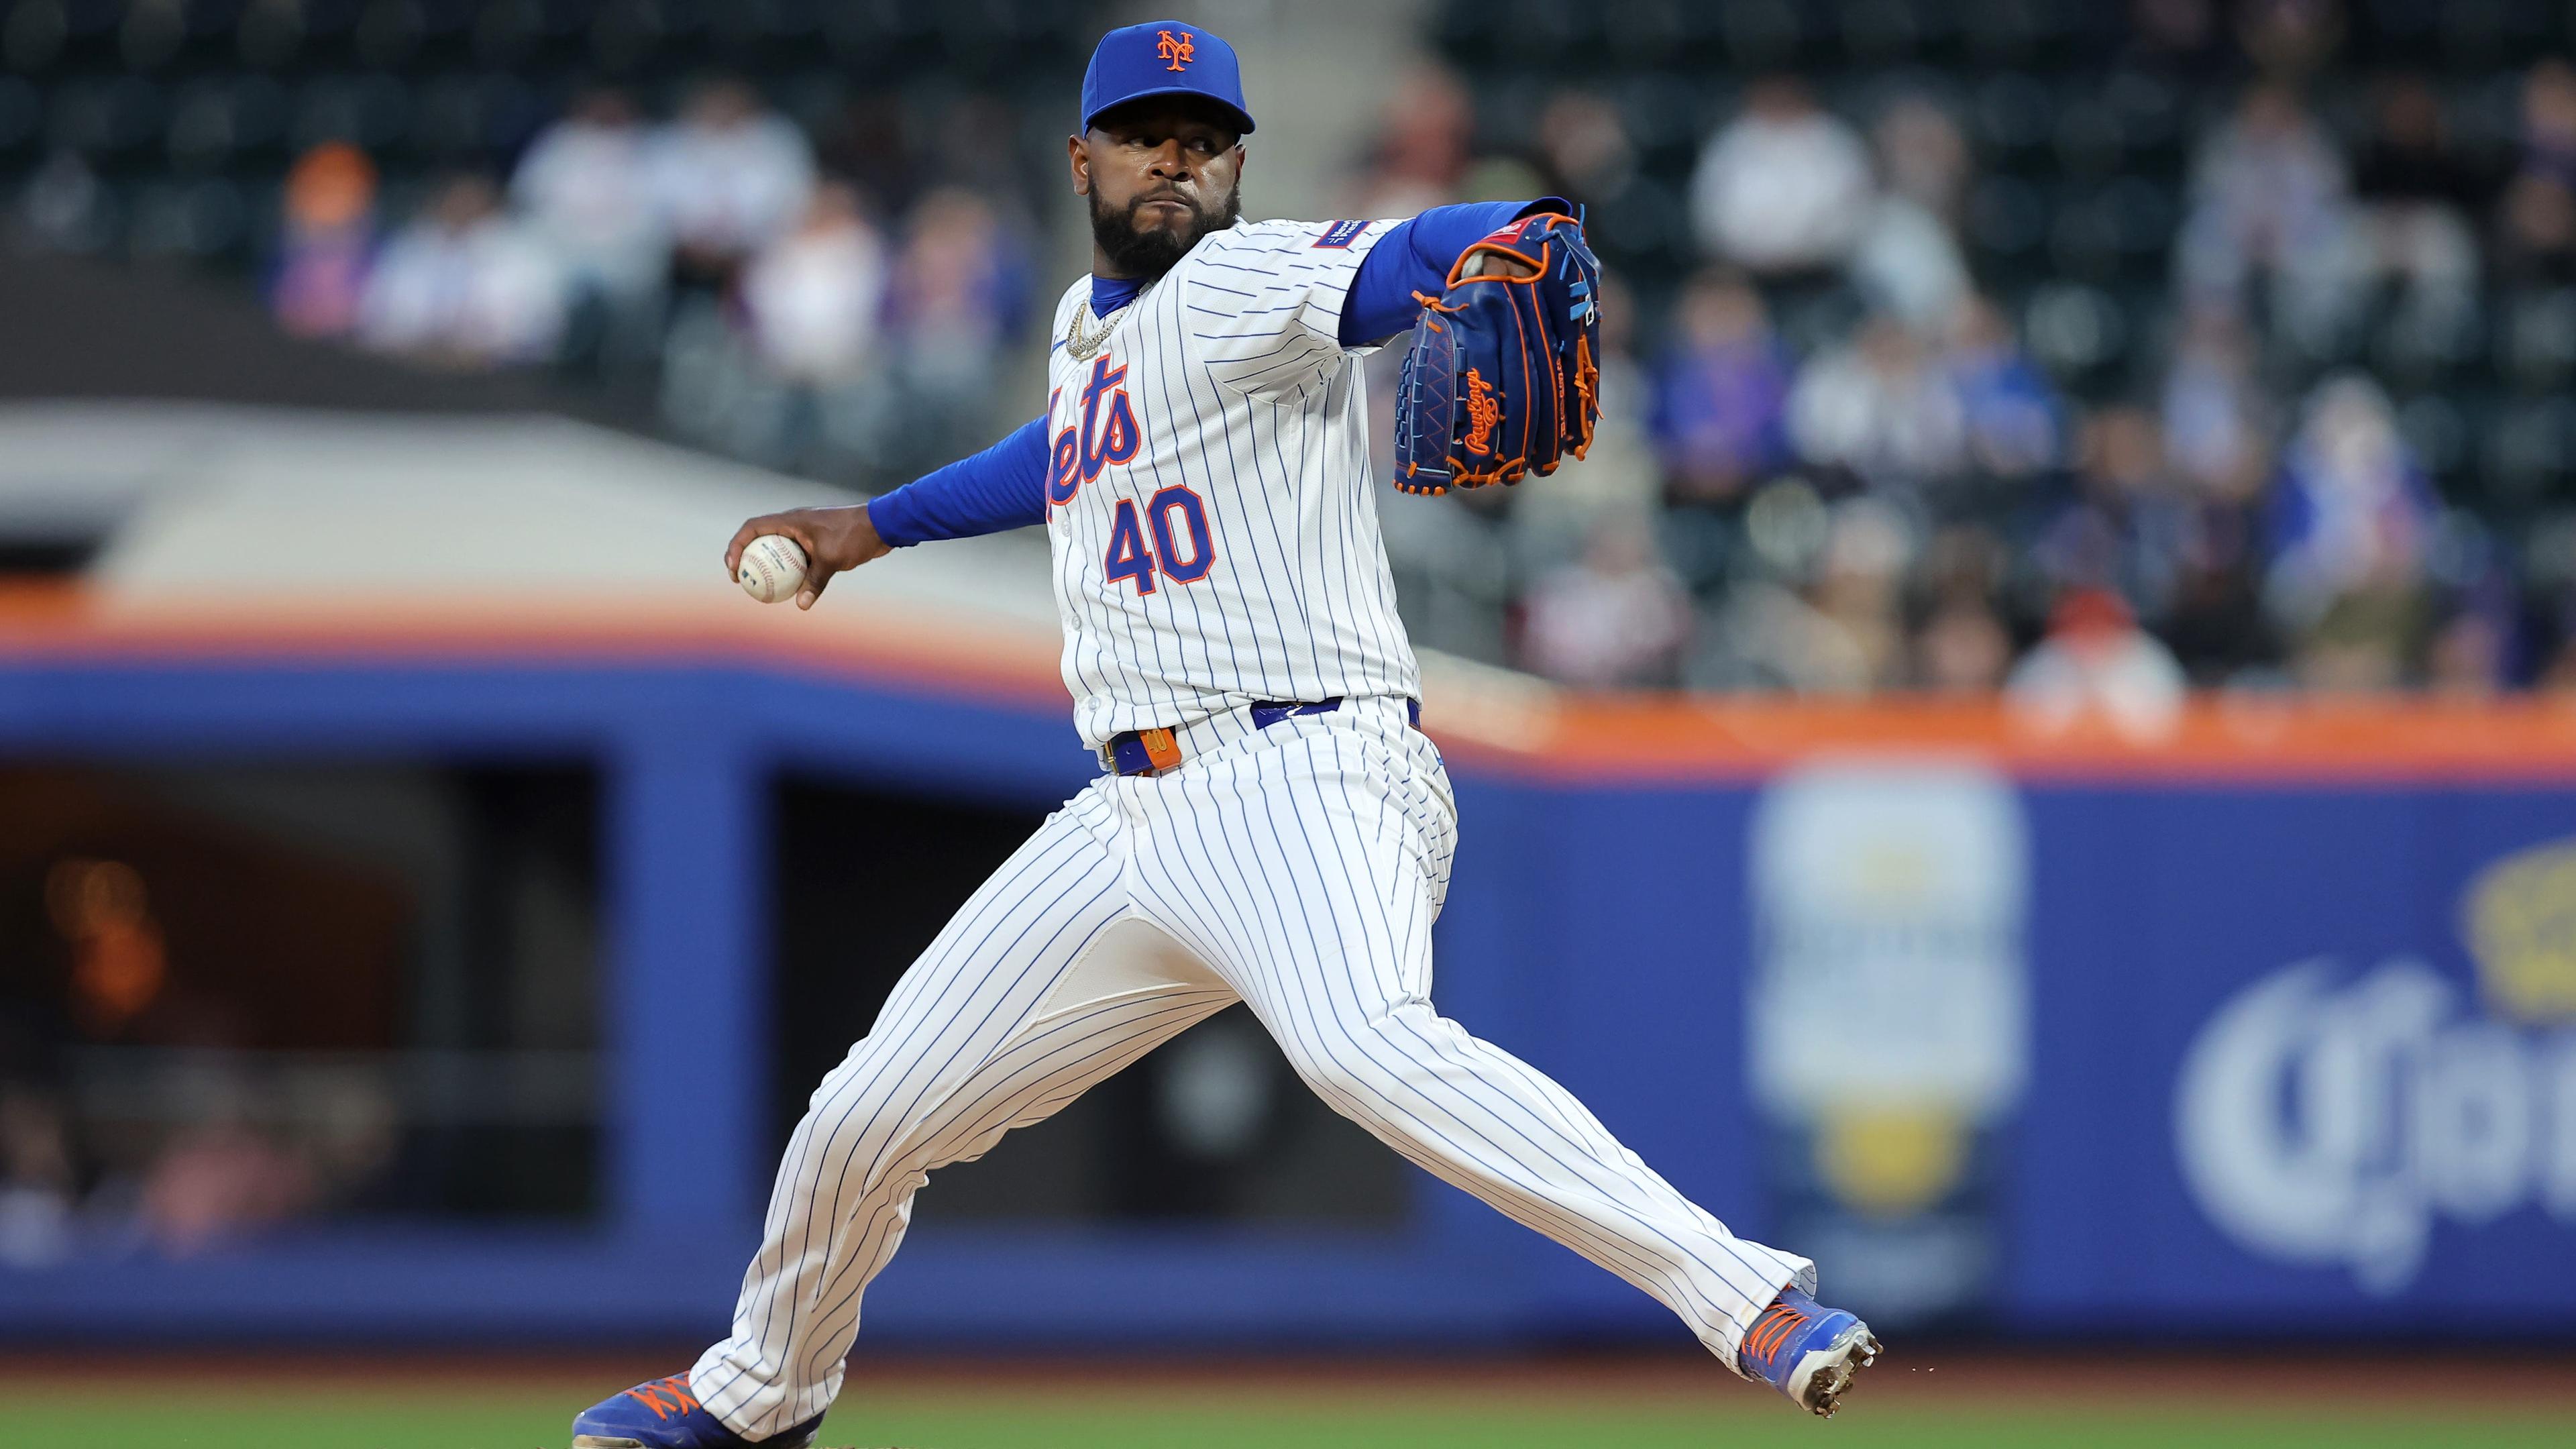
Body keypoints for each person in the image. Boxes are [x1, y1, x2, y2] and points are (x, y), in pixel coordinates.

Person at [570, 20, 1876, 1449]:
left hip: (1308, 772)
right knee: (863, 1117)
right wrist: (866, 527)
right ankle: (761, 1395)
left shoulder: (1251, 278)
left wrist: (1504, 231)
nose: (1175, 159)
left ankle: (1747, 1296)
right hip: (1128, 818)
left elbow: (1402, 260)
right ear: (1084, 158)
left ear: (1239, 165)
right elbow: (1055, 449)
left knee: (1363, 1046)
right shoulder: (1086, 329)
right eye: (1146, 133)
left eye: (1204, 138)